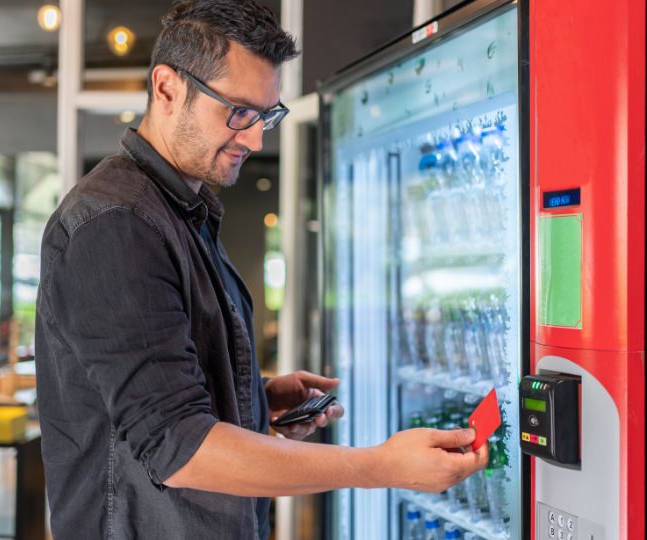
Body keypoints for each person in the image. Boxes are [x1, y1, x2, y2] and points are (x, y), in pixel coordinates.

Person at [35, 1, 489, 538]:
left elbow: (149, 389)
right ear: (167, 88)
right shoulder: (116, 225)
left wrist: (252, 397)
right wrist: (379, 466)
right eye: (238, 112)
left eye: (266, 116)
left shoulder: (177, 212)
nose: (255, 139)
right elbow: (178, 447)